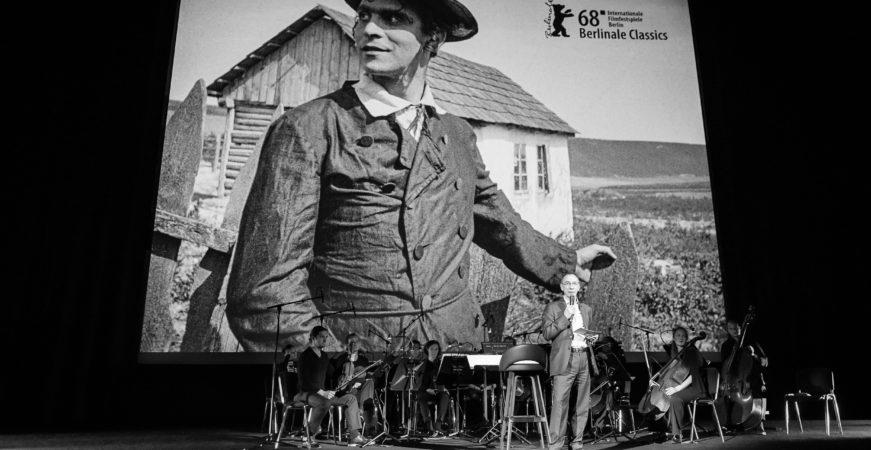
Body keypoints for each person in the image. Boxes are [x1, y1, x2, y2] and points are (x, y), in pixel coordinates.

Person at [225, 0, 617, 352]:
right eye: (364, 15)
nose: (369, 29)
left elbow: (500, 222)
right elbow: (265, 292)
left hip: (457, 348)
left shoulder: (457, 134)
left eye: (393, 18)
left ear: (433, 38)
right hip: (360, 361)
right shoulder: (309, 128)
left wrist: (567, 263)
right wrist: (327, 370)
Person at [542, 274, 601, 450]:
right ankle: (556, 443)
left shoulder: (586, 309)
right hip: (565, 359)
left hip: (583, 357)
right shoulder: (553, 307)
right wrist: (565, 316)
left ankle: (577, 441)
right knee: (560, 403)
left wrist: (591, 337)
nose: (571, 286)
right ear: (562, 287)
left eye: (574, 283)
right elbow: (547, 333)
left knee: (582, 403)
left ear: (579, 287)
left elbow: (582, 331)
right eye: (567, 283)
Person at [296, 326, 368, 447]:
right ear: (313, 338)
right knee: (324, 401)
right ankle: (308, 435)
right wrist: (322, 392)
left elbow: (334, 374)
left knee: (351, 398)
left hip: (322, 394)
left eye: (326, 337)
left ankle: (354, 436)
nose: (325, 339)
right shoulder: (305, 356)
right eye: (322, 337)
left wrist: (347, 373)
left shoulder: (324, 356)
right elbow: (304, 382)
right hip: (305, 393)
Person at [655, 326, 704, 444]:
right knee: (661, 398)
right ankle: (664, 429)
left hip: (695, 387)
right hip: (682, 387)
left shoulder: (691, 352)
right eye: (678, 335)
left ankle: (677, 433)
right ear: (673, 338)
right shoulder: (675, 353)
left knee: (675, 398)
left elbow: (693, 375)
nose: (681, 338)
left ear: (687, 338)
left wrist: (677, 388)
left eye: (683, 336)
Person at [717, 319, 769, 432]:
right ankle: (728, 423)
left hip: (751, 378)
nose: (734, 331)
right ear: (727, 330)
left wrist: (754, 354)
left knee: (758, 389)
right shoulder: (726, 345)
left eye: (736, 328)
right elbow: (725, 367)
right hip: (733, 381)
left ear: (741, 328)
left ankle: (760, 421)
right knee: (726, 397)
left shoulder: (751, 342)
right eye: (731, 329)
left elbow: (764, 362)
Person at [332, 333, 378, 436]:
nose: (353, 344)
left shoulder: (364, 360)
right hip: (347, 391)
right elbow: (338, 381)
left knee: (370, 382)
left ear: (360, 344)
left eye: (356, 342)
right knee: (366, 400)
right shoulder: (341, 359)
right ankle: (365, 421)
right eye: (351, 343)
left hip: (361, 391)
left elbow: (367, 377)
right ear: (346, 345)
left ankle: (361, 410)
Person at [415, 340, 451, 436]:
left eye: (436, 349)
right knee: (421, 397)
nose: (434, 351)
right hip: (425, 390)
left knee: (445, 396)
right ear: (427, 350)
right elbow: (417, 382)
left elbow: (446, 379)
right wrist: (427, 389)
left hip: (438, 390)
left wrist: (443, 388)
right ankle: (428, 424)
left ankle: (439, 423)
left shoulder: (441, 364)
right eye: (432, 349)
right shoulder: (422, 364)